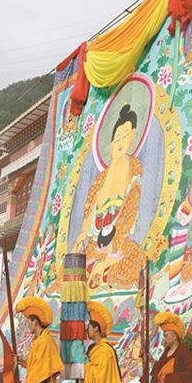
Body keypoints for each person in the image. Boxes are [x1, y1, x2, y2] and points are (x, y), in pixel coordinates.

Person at [73, 104, 145, 290]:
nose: (120, 142)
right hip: (96, 242)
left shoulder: (134, 168)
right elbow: (90, 210)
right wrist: (82, 236)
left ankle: (103, 273)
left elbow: (131, 209)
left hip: (119, 239)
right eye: (117, 138)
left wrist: (115, 241)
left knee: (134, 259)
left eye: (125, 136)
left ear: (133, 137)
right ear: (111, 143)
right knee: (78, 267)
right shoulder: (101, 178)